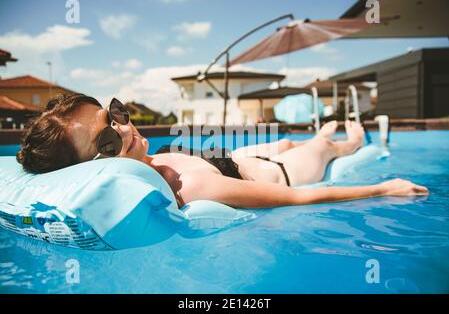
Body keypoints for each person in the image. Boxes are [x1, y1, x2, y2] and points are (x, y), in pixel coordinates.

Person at [17, 94, 428, 209]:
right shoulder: (193, 187)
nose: (124, 127)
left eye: (116, 114)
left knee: (282, 139)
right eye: (107, 140)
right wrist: (382, 188)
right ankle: (346, 141)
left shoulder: (146, 160)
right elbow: (300, 197)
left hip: (240, 160)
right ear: (95, 168)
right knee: (322, 146)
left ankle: (311, 137)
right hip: (284, 173)